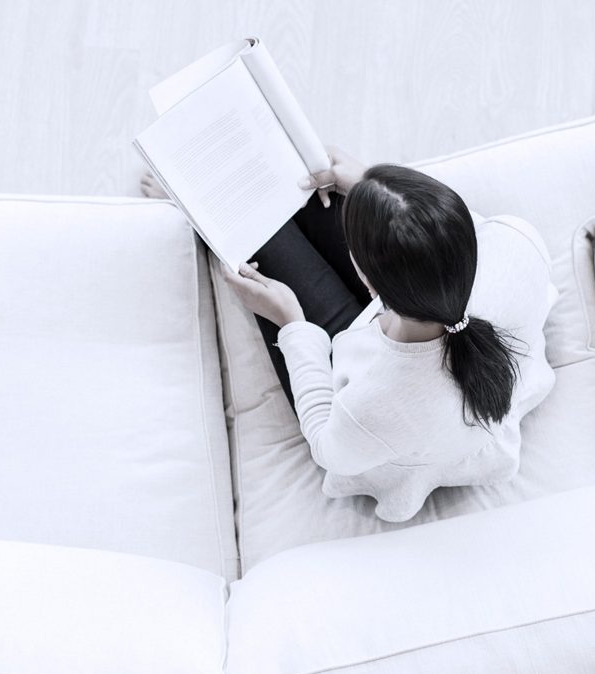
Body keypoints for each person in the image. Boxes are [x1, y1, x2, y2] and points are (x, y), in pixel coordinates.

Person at [140, 146, 522, 517]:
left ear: (369, 282)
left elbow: (327, 444)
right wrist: (371, 189)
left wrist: (291, 323)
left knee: (260, 225)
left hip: (365, 397)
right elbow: (451, 232)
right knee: (308, 189)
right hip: (401, 336)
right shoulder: (513, 247)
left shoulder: (372, 406)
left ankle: (198, 198)